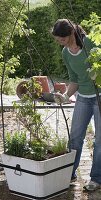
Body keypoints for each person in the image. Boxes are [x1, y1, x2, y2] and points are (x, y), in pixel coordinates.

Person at [52, 19, 101, 191]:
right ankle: (69, 173)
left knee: (99, 141)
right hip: (83, 98)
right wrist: (65, 96)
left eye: (62, 39)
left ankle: (96, 179)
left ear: (71, 33)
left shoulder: (90, 44)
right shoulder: (66, 53)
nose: (60, 43)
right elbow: (74, 80)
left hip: (99, 96)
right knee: (75, 138)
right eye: (57, 40)